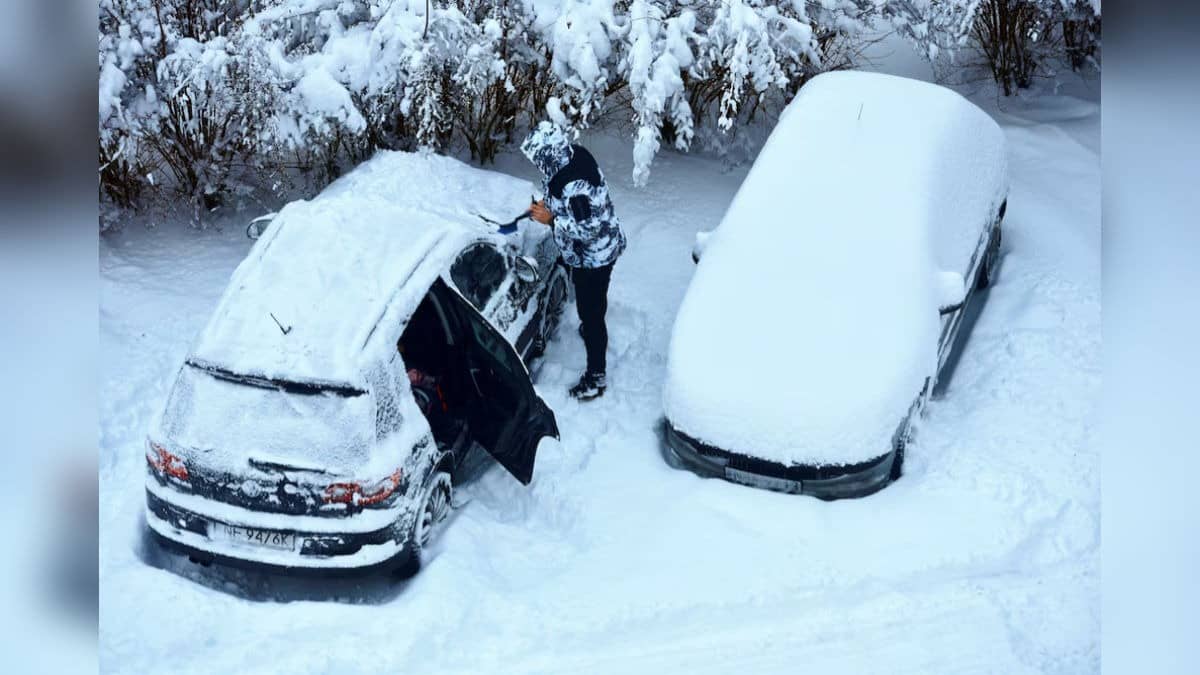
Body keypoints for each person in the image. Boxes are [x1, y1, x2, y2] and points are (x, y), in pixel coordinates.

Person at [520, 121, 626, 400]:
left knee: (592, 314)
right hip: (586, 254)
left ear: (548, 154)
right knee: (589, 304)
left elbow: (588, 228)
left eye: (537, 159)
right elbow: (562, 196)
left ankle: (596, 377)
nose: (537, 164)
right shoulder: (570, 155)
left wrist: (552, 219)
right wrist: (548, 207)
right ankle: (591, 327)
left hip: (595, 258)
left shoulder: (575, 185)